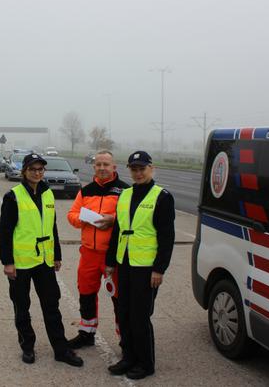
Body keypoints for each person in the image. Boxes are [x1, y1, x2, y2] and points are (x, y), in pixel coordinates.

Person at [0, 153, 83, 367]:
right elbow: (5, 232)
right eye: (33, 169)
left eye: (40, 169)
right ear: (24, 171)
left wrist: (57, 255)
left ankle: (61, 349)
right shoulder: (13, 196)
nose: (37, 173)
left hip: (45, 261)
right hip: (21, 263)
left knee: (51, 306)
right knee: (22, 306)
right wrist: (7, 262)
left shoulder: (47, 193)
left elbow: (52, 226)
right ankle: (27, 346)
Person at [105, 151, 175, 380]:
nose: (137, 173)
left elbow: (167, 237)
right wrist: (110, 262)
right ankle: (128, 357)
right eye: (134, 169)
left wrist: (159, 269)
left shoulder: (162, 197)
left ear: (151, 169)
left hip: (146, 268)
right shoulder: (124, 195)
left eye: (141, 169)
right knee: (123, 312)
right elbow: (117, 231)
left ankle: (145, 363)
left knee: (140, 316)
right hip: (124, 263)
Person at [66, 150, 129, 348]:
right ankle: (87, 333)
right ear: (94, 167)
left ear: (114, 167)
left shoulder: (125, 191)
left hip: (114, 255)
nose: (102, 168)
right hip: (89, 254)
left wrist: (114, 221)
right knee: (86, 293)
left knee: (120, 299)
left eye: (106, 165)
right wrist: (84, 219)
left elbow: (132, 221)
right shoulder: (86, 190)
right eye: (98, 164)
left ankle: (124, 339)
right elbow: (71, 215)